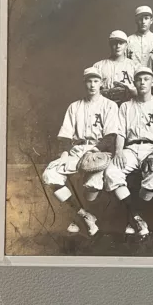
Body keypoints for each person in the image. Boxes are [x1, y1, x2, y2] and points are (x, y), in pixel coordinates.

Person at [42, 67, 119, 236]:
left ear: (102, 83)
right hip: (77, 150)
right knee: (50, 174)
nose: (92, 84)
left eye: (96, 81)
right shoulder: (74, 106)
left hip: (99, 151)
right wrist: (64, 153)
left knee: (93, 180)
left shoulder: (110, 105)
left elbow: (111, 136)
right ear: (84, 83)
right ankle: (84, 215)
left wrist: (95, 150)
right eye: (89, 81)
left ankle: (80, 220)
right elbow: (65, 135)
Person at [103, 67, 153, 239]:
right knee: (111, 172)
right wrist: (118, 151)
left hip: (151, 148)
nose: (142, 82)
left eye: (146, 79)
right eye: (139, 79)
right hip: (130, 148)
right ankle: (137, 216)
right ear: (134, 83)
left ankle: (136, 215)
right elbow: (121, 133)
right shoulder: (125, 106)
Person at [94, 30, 139, 104]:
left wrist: (128, 91)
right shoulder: (98, 66)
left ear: (126, 45)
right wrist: (104, 92)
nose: (118, 46)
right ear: (110, 44)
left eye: (121, 43)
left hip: (128, 105)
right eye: (114, 43)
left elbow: (142, 92)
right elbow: (91, 90)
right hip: (105, 106)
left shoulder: (135, 66)